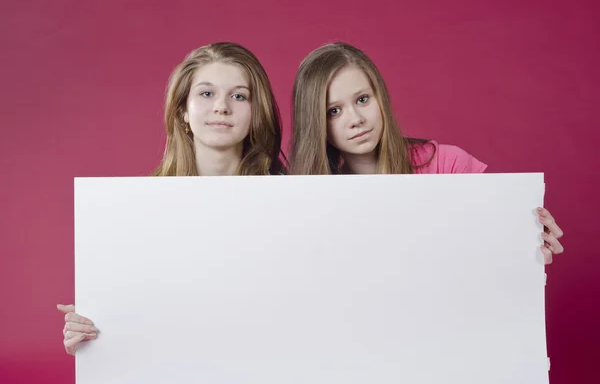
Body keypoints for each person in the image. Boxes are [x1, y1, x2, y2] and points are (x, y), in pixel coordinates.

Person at [57, 41, 288, 355]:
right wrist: (91, 335)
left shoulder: (290, 203)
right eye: (207, 93)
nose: (222, 106)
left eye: (239, 95)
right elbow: (136, 313)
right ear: (183, 111)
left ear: (255, 112)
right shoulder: (136, 209)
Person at [289, 41, 564, 260]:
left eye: (363, 99)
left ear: (380, 96)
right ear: (316, 123)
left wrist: (529, 241)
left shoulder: (448, 165)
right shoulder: (310, 202)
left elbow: (496, 249)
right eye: (334, 111)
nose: (355, 118)